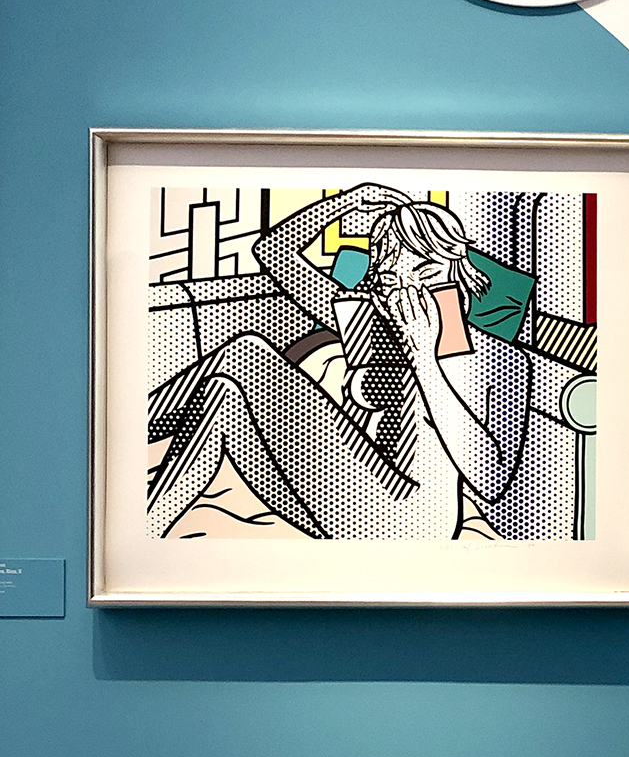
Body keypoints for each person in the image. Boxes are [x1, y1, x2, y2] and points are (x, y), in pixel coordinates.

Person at [146, 185, 528, 540]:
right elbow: (273, 252)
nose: (407, 290)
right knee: (223, 394)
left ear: (461, 268)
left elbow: (491, 480)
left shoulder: (490, 355)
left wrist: (426, 359)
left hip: (414, 518)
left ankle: (137, 430)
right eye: (390, 279)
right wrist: (351, 200)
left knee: (245, 353)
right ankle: (147, 521)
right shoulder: (372, 321)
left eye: (425, 272)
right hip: (348, 492)